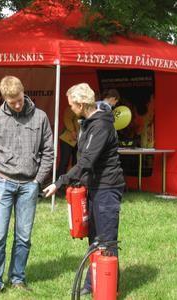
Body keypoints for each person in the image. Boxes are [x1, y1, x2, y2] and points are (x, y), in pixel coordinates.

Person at [43, 83, 125, 297]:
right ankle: (93, 282)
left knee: (106, 240)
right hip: (94, 186)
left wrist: (61, 181)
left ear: (81, 104)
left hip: (107, 187)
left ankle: (107, 288)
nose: (70, 108)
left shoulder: (101, 126)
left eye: (71, 104)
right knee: (94, 239)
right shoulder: (88, 122)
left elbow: (87, 160)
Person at [0, 75, 54, 299]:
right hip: (1, 181)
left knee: (23, 237)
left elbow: (48, 151)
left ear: (23, 92)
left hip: (29, 184)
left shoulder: (40, 117)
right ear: (4, 99)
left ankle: (18, 278)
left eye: (19, 100)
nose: (18, 105)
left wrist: (38, 180)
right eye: (13, 103)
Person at [56, 107, 80, 179]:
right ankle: (59, 183)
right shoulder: (72, 107)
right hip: (67, 139)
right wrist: (72, 130)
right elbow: (67, 118)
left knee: (76, 162)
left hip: (78, 140)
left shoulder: (85, 108)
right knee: (64, 162)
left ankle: (73, 182)